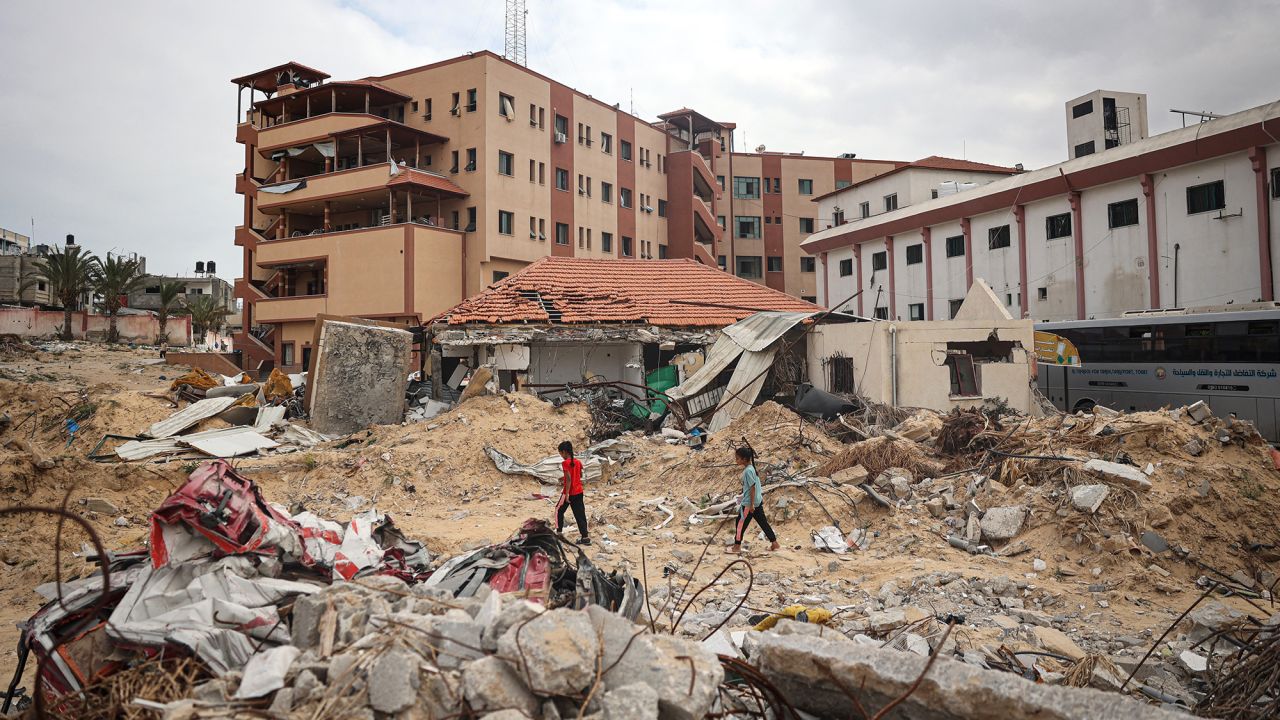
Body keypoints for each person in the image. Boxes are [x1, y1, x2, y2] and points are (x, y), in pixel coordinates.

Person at [728, 445, 779, 554]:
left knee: (740, 523)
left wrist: (750, 505)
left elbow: (752, 487)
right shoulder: (752, 469)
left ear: (744, 459)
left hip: (749, 504)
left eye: (738, 458)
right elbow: (752, 487)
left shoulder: (747, 471)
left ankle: (736, 547)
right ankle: (774, 543)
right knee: (763, 523)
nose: (736, 460)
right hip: (757, 502)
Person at [554, 440, 590, 545]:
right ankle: (585, 537)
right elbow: (580, 476)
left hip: (569, 492)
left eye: (560, 453)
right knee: (580, 514)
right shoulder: (578, 462)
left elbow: (569, 479)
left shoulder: (565, 463)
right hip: (579, 491)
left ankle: (559, 533)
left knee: (558, 510)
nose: (561, 455)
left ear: (564, 452)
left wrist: (567, 494)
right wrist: (564, 477)